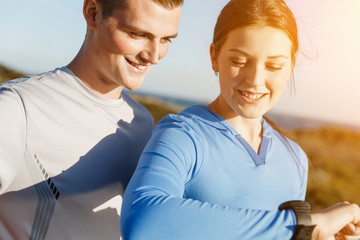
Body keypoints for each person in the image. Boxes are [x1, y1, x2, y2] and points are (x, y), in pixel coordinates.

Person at [120, 0, 360, 239]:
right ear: (214, 56)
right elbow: (142, 221)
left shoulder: (295, 158)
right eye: (239, 61)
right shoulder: (184, 135)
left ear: (291, 65)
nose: (255, 80)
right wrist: (306, 226)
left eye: (274, 66)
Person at [0, 0, 182, 239]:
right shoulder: (17, 108)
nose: (154, 56)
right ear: (93, 14)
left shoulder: (142, 124)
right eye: (138, 34)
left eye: (166, 39)